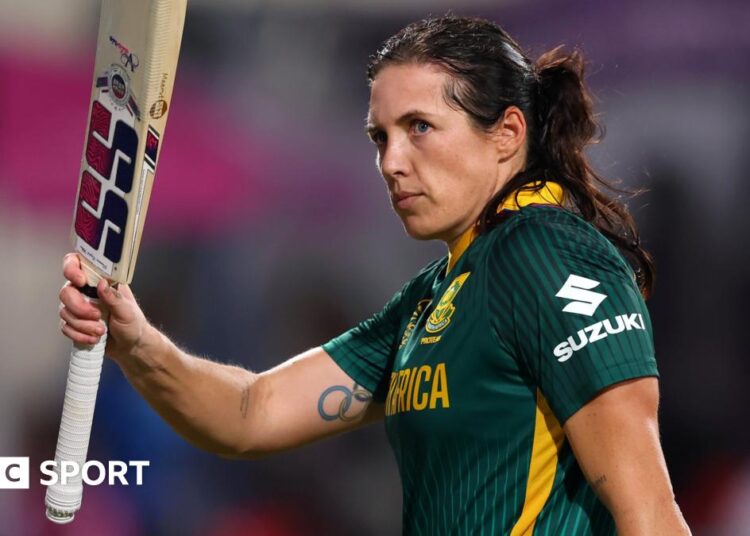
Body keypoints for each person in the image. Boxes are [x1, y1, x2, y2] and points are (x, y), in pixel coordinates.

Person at [59, 15, 691, 535]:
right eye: (379, 137)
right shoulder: (434, 297)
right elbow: (252, 411)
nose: (391, 161)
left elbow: (652, 516)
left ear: (506, 133)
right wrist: (137, 342)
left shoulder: (548, 253)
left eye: (419, 128)